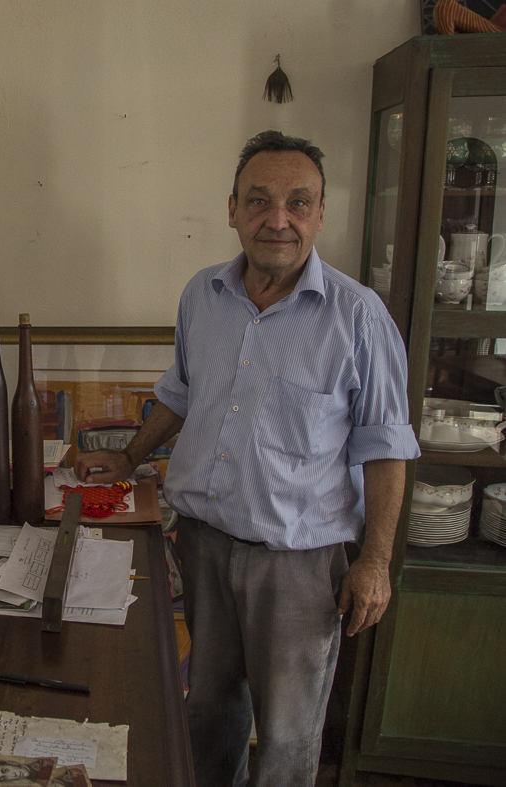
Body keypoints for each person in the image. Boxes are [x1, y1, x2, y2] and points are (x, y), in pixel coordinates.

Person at [76, 130, 419, 787]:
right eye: (259, 200)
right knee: (207, 712)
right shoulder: (202, 295)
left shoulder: (359, 317)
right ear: (232, 209)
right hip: (203, 544)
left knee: (287, 736)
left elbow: (386, 447)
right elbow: (181, 393)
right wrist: (129, 457)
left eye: (298, 203)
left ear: (320, 214)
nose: (278, 219)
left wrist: (375, 561)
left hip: (299, 566)